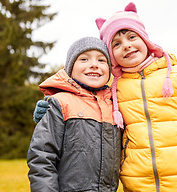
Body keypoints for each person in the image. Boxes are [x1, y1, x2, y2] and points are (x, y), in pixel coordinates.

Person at [34, 3, 177, 192]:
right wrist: (49, 108)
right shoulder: (113, 90)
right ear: (112, 55)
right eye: (116, 43)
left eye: (132, 37)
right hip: (138, 186)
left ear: (145, 39)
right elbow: (85, 103)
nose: (127, 46)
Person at [27, 37, 122, 192]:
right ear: (70, 68)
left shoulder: (115, 106)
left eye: (101, 60)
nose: (94, 64)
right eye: (84, 59)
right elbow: (42, 157)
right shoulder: (60, 103)